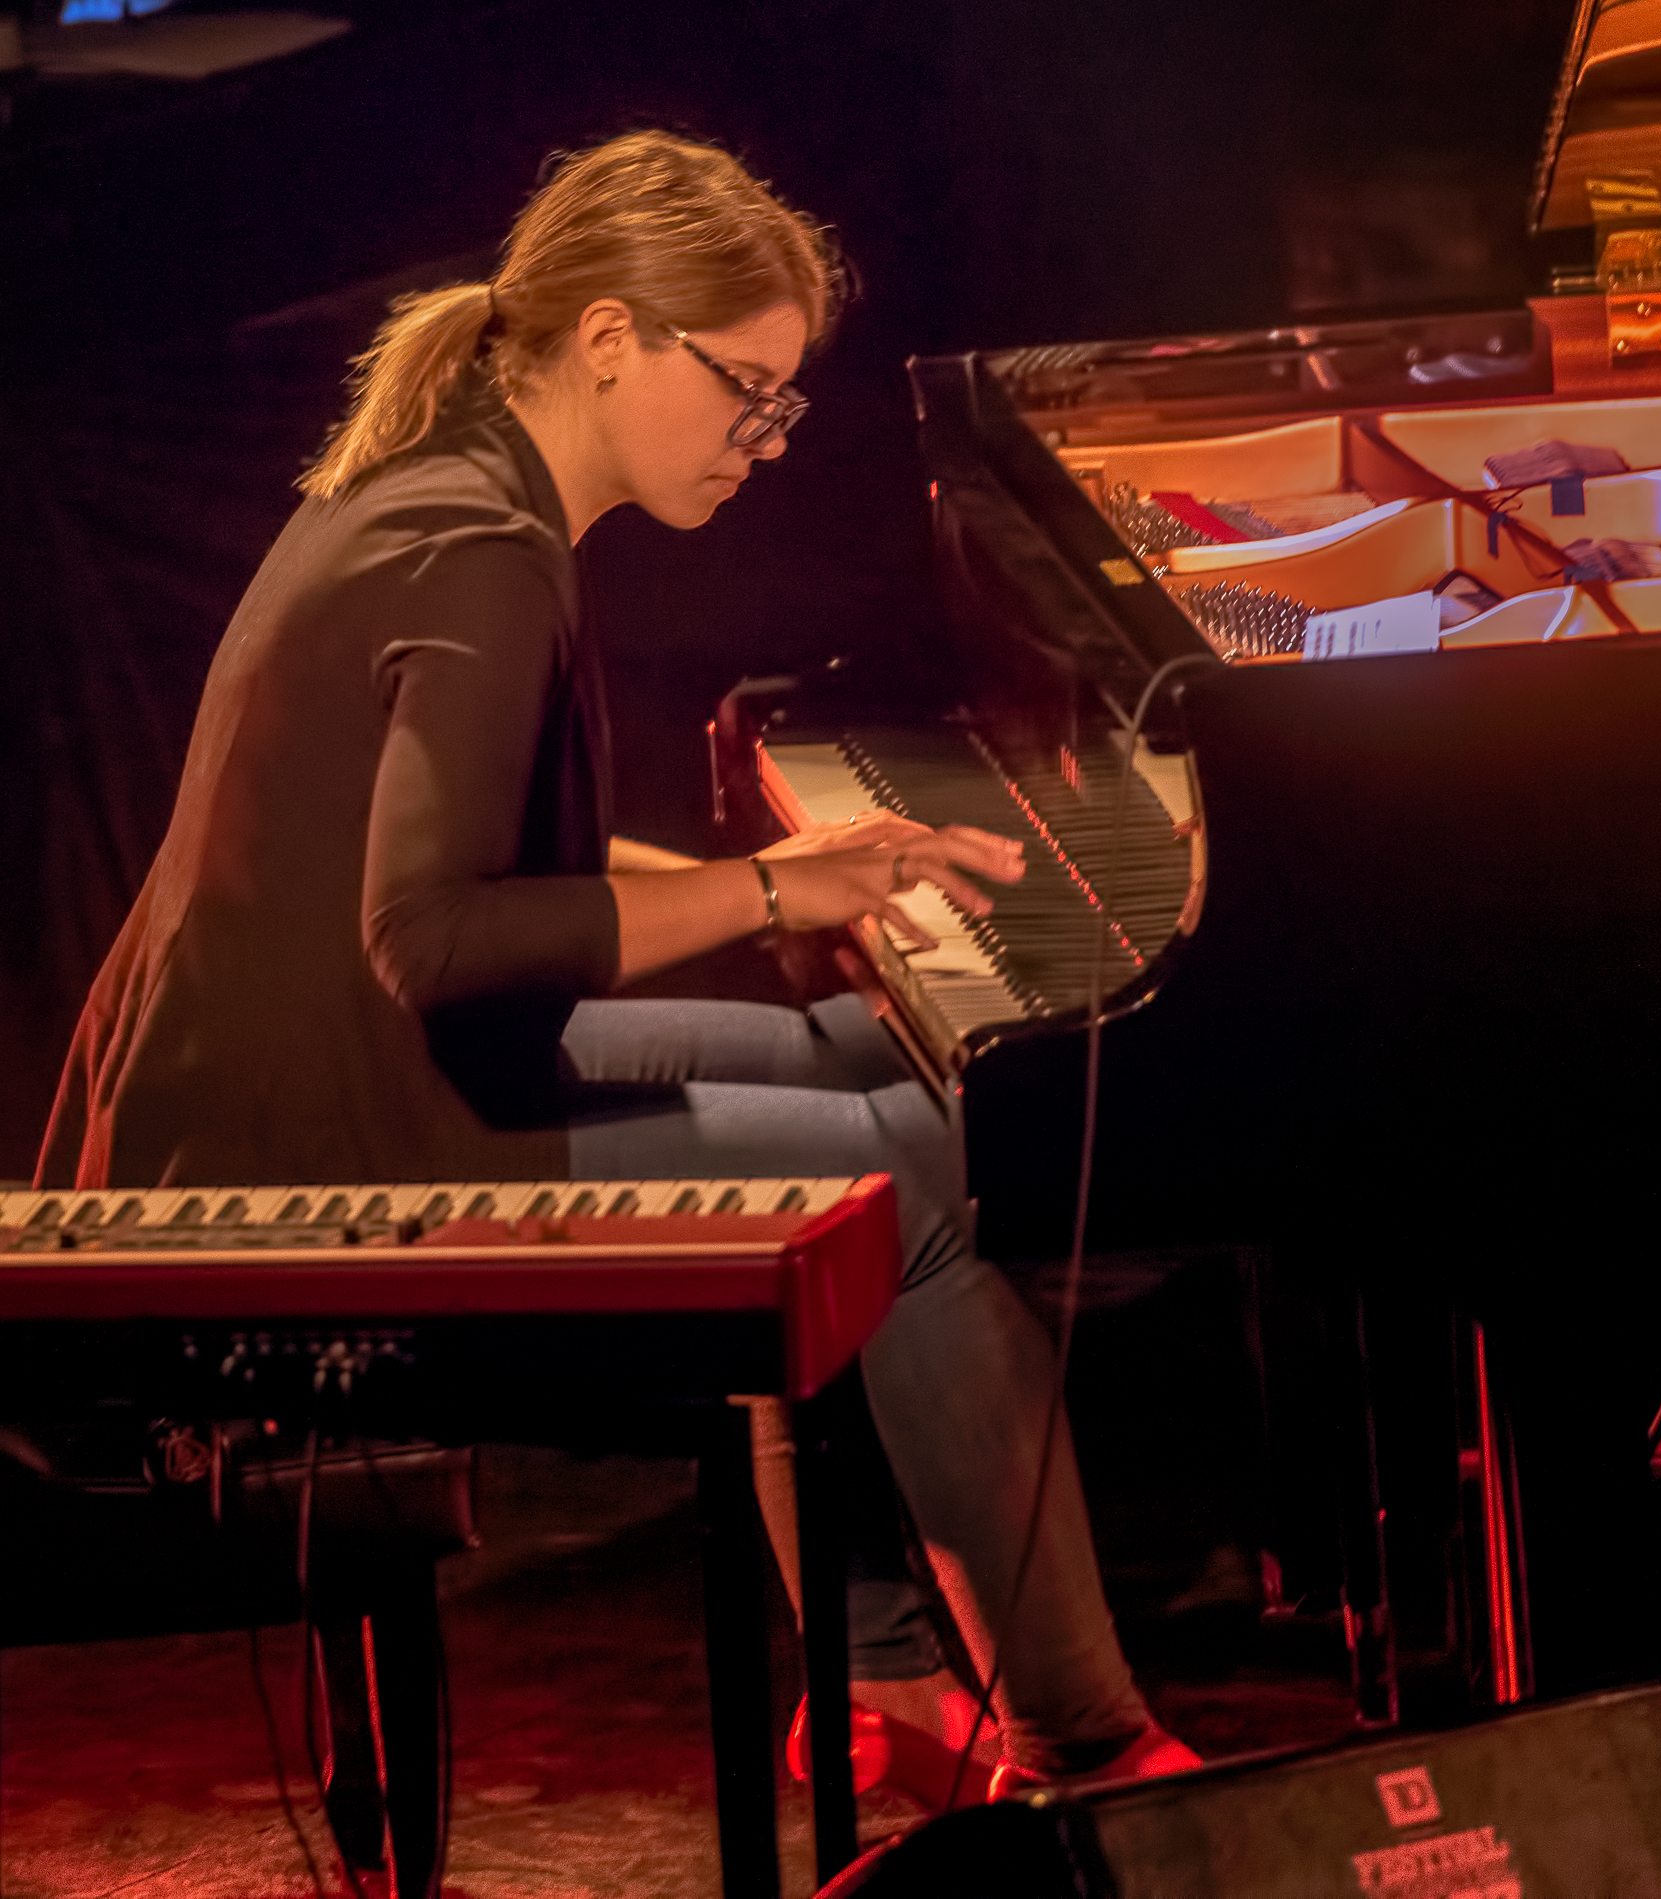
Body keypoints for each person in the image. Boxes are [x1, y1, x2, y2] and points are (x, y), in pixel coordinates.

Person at [37, 129, 1192, 1796]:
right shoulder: (480, 552)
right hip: (324, 1142)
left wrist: (806, 876)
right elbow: (431, 937)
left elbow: (506, 882)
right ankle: (1076, 1742)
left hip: (364, 1076)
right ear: (607, 339)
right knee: (899, 1183)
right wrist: (773, 895)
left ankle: (874, 1691)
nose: (769, 442)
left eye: (785, 402)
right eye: (747, 390)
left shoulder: (463, 488)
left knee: (882, 1073)